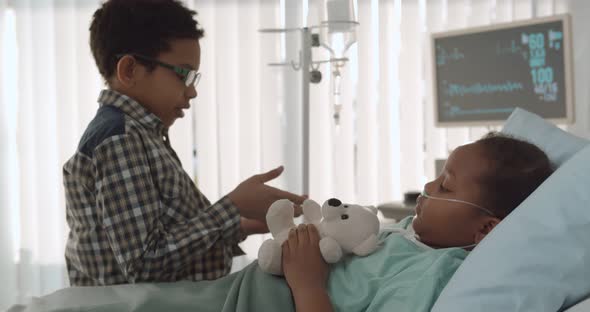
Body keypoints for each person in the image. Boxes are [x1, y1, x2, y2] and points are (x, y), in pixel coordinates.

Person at [62, 0, 305, 286]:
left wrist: (240, 224)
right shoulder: (119, 139)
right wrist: (231, 207)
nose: (192, 92)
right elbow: (144, 264)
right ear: (129, 70)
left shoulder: (143, 135)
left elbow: (168, 234)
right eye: (184, 74)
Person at [281, 132, 554, 312]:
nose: (428, 185)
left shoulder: (431, 276)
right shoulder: (406, 230)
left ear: (484, 228)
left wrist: (307, 285)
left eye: (446, 186)